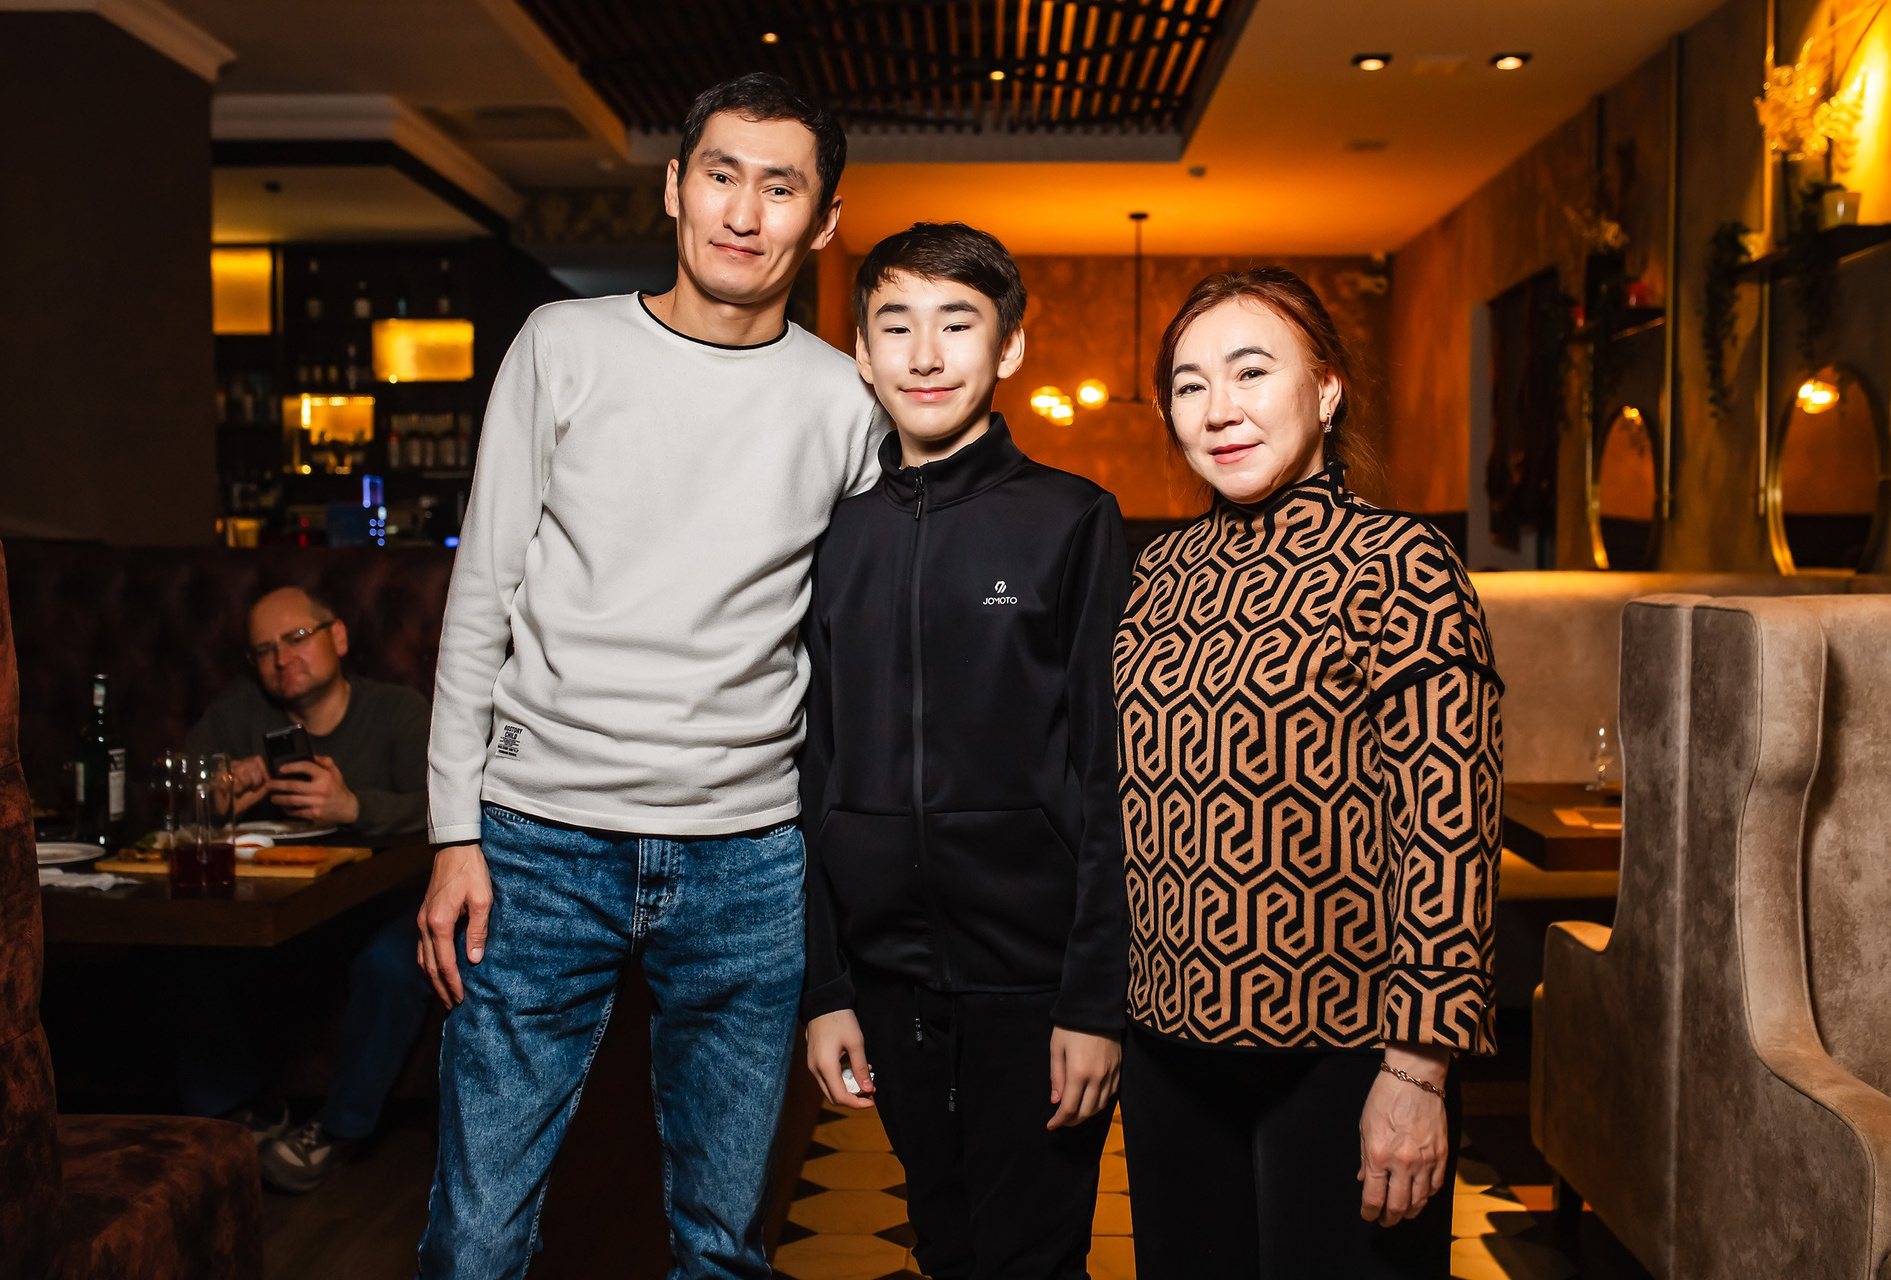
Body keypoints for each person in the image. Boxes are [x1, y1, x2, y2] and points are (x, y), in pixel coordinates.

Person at [415, 73, 885, 1280]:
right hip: (538, 842)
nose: (744, 211)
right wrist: (454, 830)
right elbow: (483, 595)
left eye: (780, 187)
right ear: (676, 187)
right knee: (475, 1237)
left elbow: (860, 645)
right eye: (721, 175)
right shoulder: (562, 344)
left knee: (724, 1245)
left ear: (823, 220)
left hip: (749, 855)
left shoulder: (847, 399)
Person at [1112, 268, 1504, 1279]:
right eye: (1190, 385)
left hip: (1347, 1055)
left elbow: (1449, 830)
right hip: (1166, 1051)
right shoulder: (1154, 575)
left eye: (1252, 371)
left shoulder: (1402, 564)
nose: (1219, 408)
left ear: (1326, 389)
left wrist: (1418, 1071)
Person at [800, 222, 1129, 1279]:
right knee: (944, 1245)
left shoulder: (1072, 520)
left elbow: (1108, 775)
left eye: (957, 324)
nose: (926, 355)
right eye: (896, 326)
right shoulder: (833, 536)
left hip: (1034, 984)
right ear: (861, 352)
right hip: (886, 982)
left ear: (1010, 347)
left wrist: (1094, 1000)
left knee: (1031, 1257)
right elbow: (812, 768)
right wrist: (827, 988)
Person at [175, 582, 432, 1192]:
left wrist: (353, 807)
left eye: (295, 638)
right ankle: (239, 1111)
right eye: (263, 650)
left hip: (380, 905)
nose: (281, 659)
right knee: (173, 952)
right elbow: (181, 798)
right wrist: (216, 800)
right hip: (275, 911)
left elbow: (445, 807)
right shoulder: (239, 714)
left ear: (337, 637)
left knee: (395, 962)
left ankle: (339, 1130)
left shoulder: (396, 711)